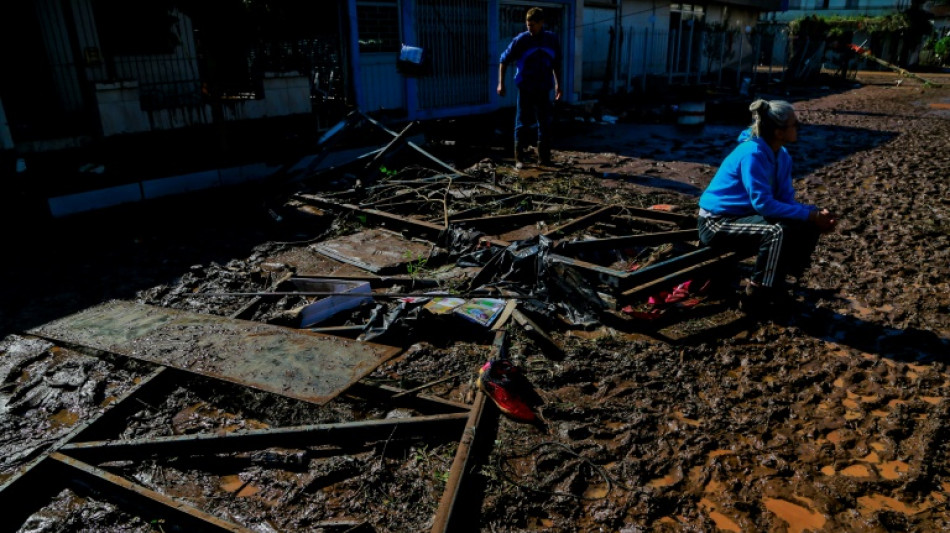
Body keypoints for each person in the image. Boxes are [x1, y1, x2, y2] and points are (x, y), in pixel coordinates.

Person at [697, 99, 837, 312]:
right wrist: (809, 215)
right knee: (776, 231)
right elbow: (763, 204)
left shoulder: (781, 155)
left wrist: (814, 214)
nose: (798, 128)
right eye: (794, 124)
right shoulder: (752, 153)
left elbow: (785, 200)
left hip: (743, 217)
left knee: (803, 223)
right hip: (716, 222)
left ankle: (779, 281)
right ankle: (757, 292)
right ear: (779, 132)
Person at [498, 7, 562, 169]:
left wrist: (558, 85)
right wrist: (501, 83)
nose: (530, 28)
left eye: (533, 25)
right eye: (528, 25)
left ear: (541, 23)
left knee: (544, 122)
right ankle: (519, 157)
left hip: (543, 86)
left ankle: (544, 158)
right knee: (522, 122)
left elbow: (556, 64)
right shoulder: (521, 40)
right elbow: (503, 60)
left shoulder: (551, 40)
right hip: (525, 86)